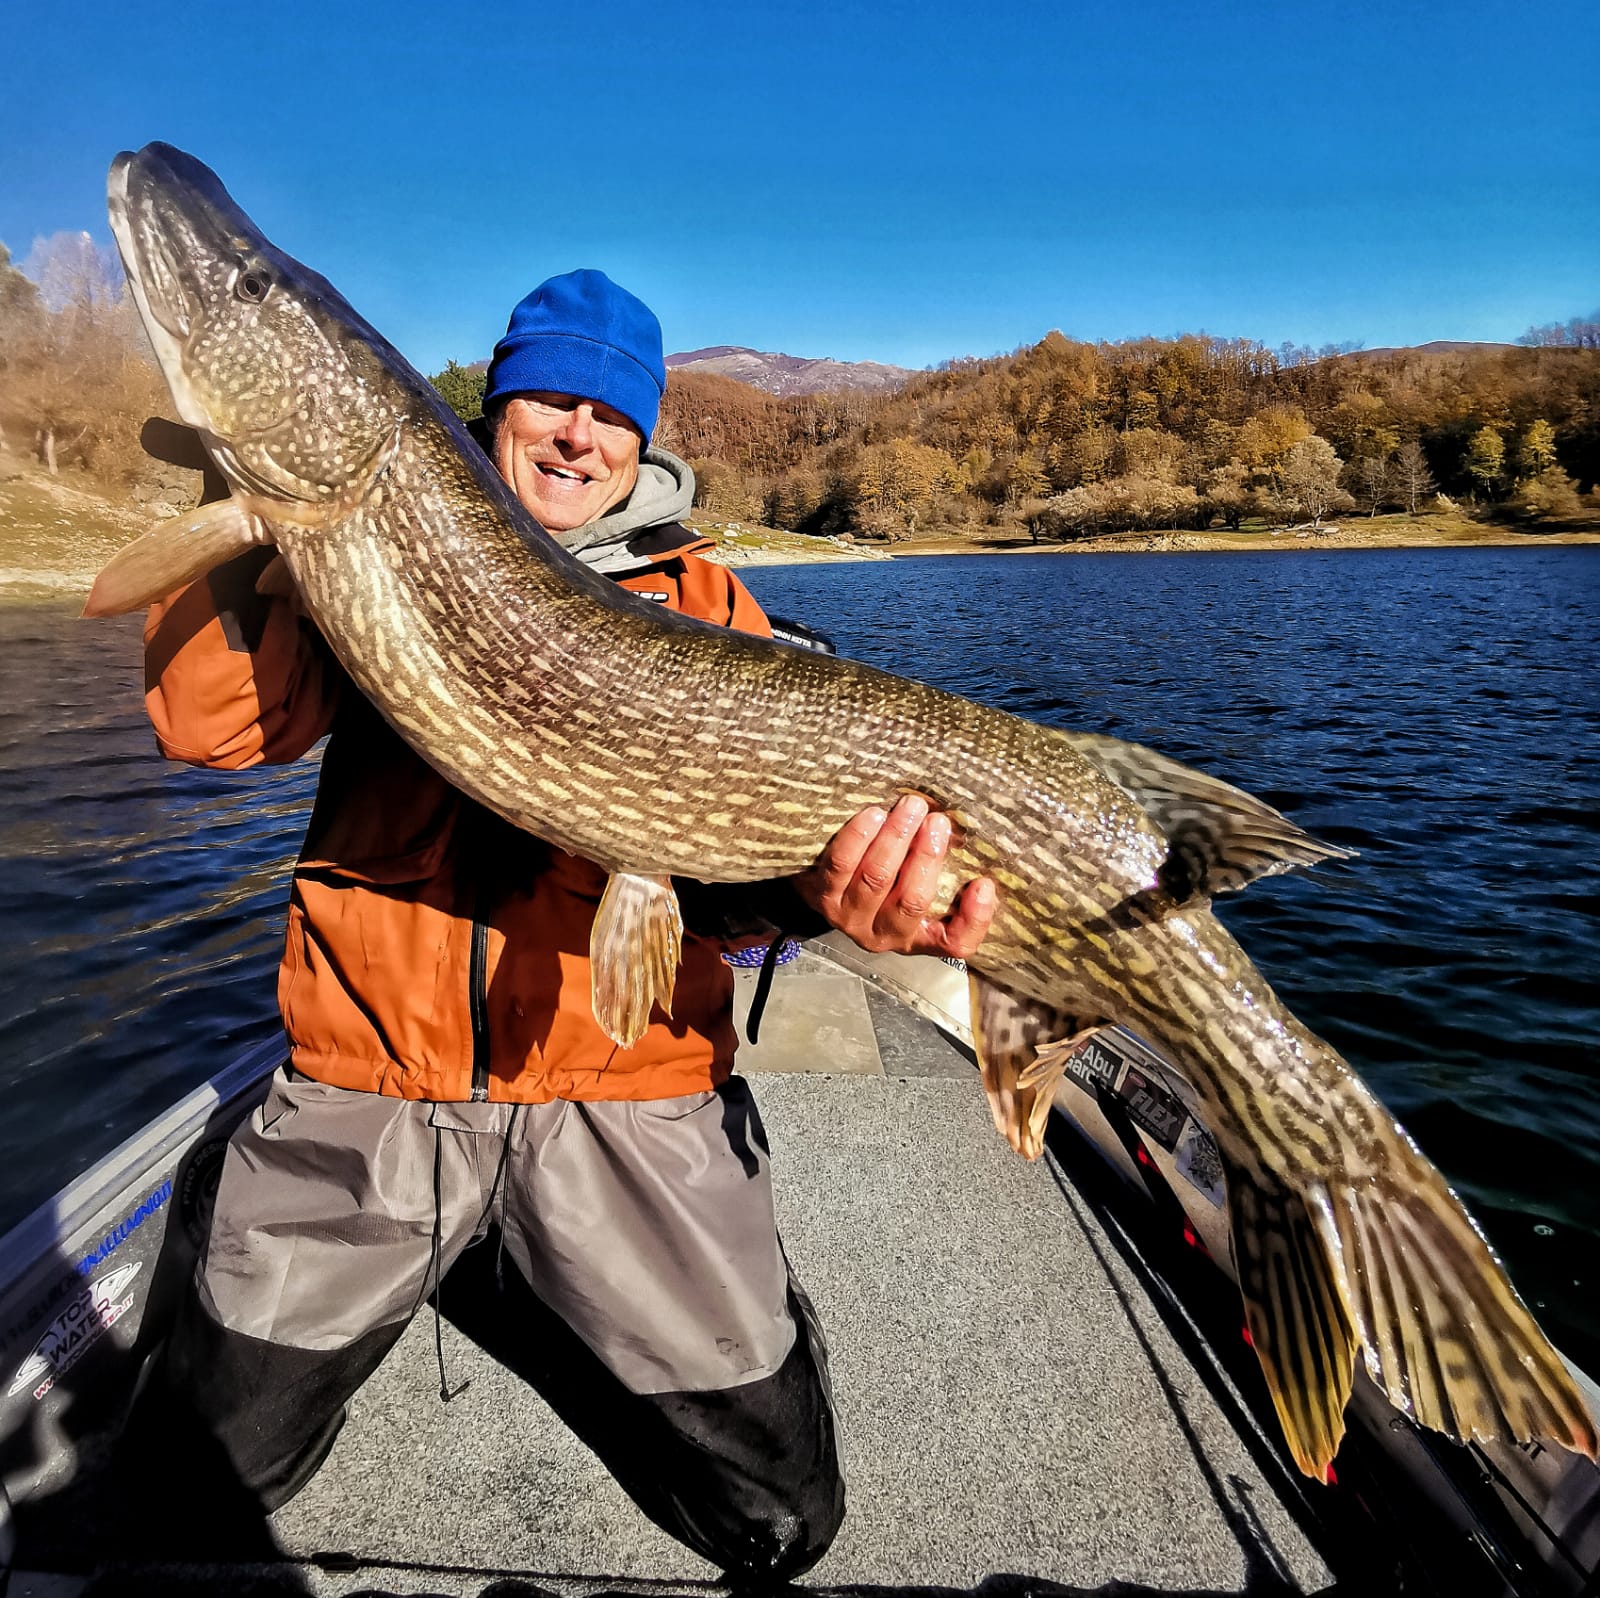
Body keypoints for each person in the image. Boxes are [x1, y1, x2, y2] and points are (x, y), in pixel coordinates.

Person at [125, 270, 994, 1583]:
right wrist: (262, 509)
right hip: (377, 1077)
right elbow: (208, 725)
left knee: (777, 1517)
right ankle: (349, 1231)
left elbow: (733, 894)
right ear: (496, 402)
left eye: (612, 411)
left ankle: (505, 1271)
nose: (579, 432)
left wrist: (828, 894)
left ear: (644, 440)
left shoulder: (709, 607)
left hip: (621, 1086)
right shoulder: (371, 525)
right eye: (550, 396)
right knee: (177, 1491)